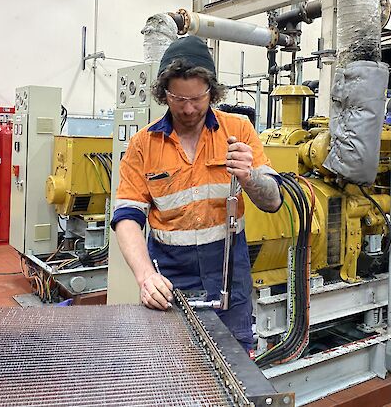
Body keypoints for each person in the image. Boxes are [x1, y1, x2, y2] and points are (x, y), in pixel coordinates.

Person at [111, 35, 282, 351]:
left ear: (212, 91)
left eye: (198, 98)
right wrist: (146, 277)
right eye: (179, 99)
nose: (189, 109)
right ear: (164, 94)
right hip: (171, 275)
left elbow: (272, 201)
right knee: (171, 359)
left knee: (234, 359)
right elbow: (126, 218)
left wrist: (249, 176)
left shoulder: (239, 130)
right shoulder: (143, 145)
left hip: (229, 271)